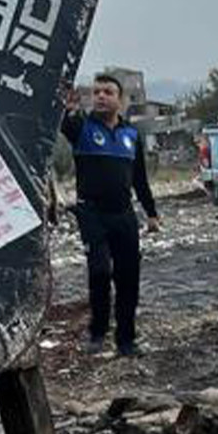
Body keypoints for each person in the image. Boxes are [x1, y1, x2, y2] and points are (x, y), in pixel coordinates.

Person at [61, 74, 161, 357]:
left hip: (124, 213)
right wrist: (67, 108)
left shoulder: (131, 135)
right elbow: (65, 124)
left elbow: (140, 179)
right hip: (92, 213)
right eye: (97, 92)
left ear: (121, 100)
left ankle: (126, 340)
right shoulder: (82, 127)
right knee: (100, 271)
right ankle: (97, 333)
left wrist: (151, 213)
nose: (101, 96)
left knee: (128, 276)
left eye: (107, 92)